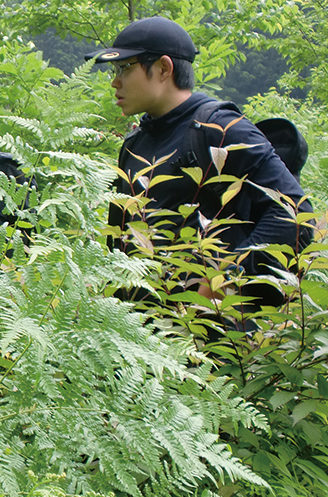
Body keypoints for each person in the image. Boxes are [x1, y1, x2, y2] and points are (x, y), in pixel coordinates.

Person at [87, 16, 313, 314]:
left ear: (164, 68)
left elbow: (295, 214)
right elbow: (119, 242)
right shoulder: (134, 145)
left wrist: (225, 279)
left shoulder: (221, 129)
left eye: (125, 68)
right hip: (141, 336)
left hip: (214, 338)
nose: (115, 81)